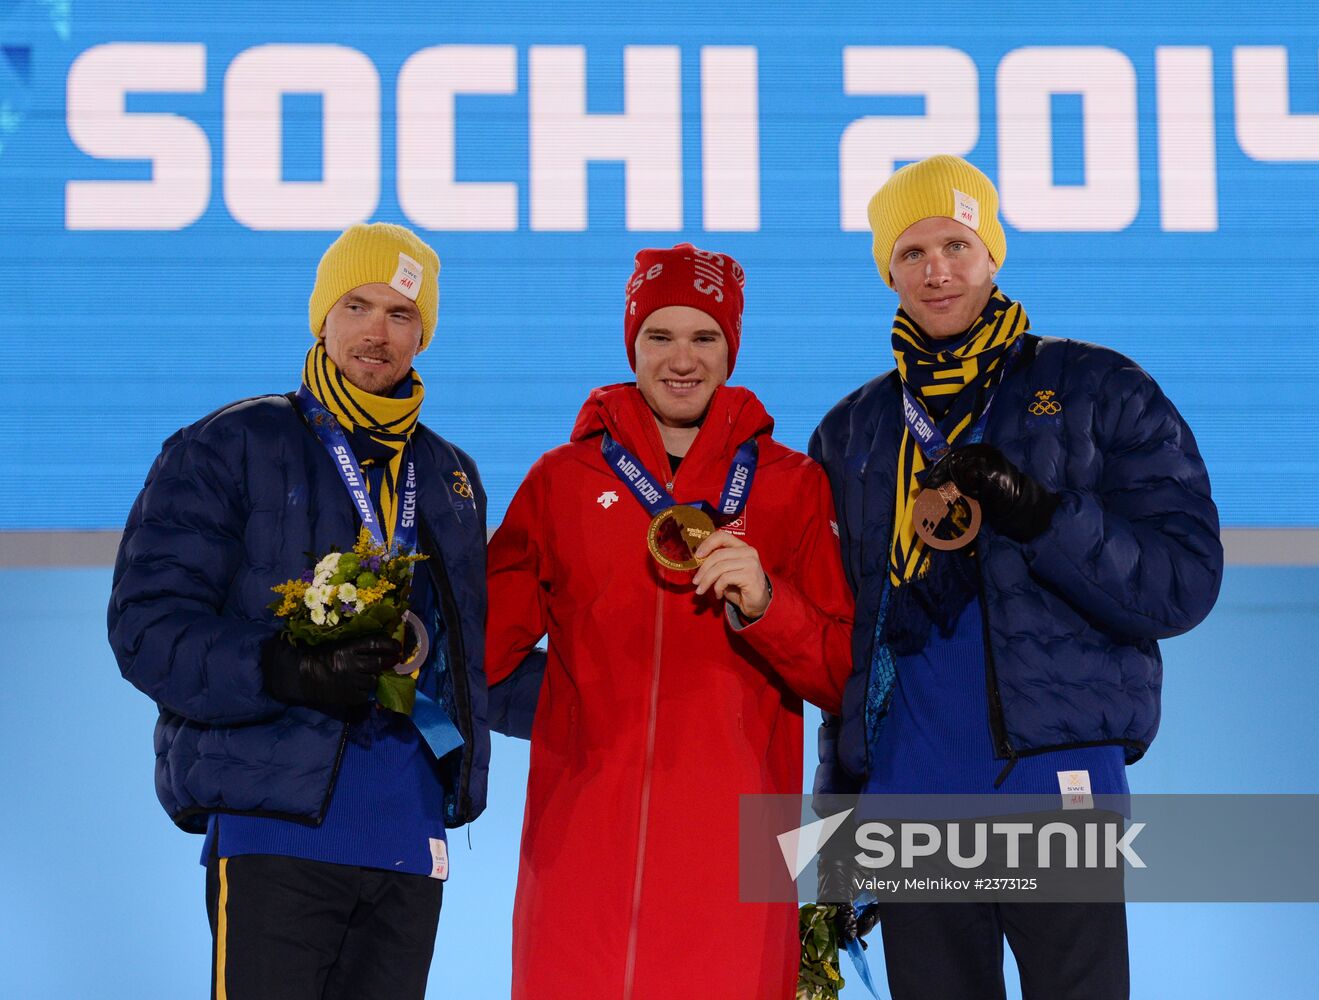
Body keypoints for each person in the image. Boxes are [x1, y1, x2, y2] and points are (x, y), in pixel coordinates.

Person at [809, 156, 1223, 998]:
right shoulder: (853, 431)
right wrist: (833, 835)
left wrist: (1042, 515)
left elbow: (1183, 582)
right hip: (912, 793)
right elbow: (843, 646)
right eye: (913, 250)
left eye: (956, 244)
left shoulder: (1094, 387)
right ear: (886, 269)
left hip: (1053, 781)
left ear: (992, 253)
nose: (937, 269)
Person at [108, 222, 489, 1000]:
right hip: (274, 823)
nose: (377, 333)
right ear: (322, 315)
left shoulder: (450, 476)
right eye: (357, 306)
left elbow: (476, 654)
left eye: (401, 315)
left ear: (425, 334)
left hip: (408, 833)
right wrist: (279, 666)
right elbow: (146, 628)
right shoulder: (229, 444)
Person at [485, 243, 855, 999]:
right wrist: (564, 708)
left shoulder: (791, 486)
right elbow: (477, 653)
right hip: (579, 855)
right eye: (659, 336)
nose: (681, 360)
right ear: (631, 343)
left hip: (732, 863)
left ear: (731, 348)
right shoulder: (561, 481)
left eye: (704, 337)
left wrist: (768, 604)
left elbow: (844, 675)